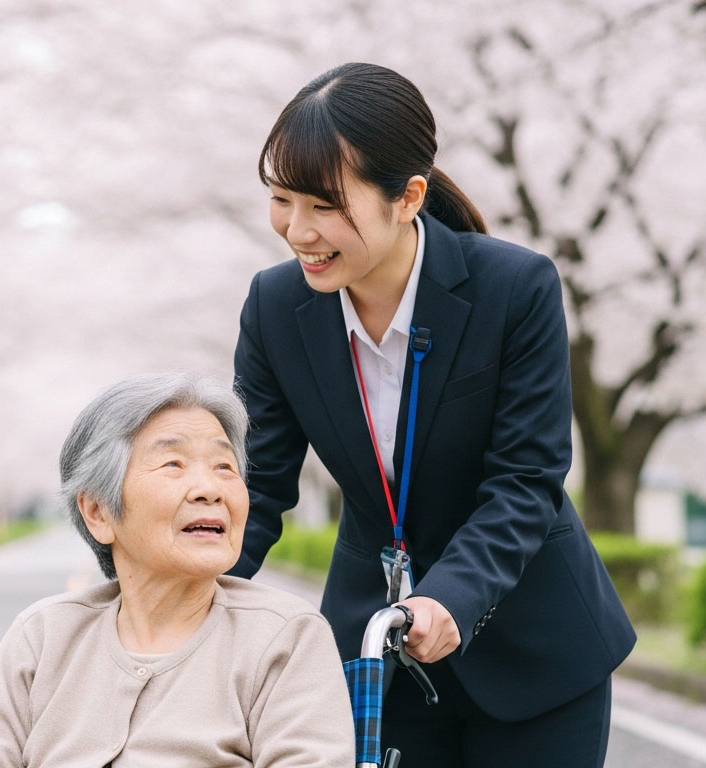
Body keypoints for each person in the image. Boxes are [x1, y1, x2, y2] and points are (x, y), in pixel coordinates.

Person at [227, 62, 635, 767]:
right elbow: (257, 486)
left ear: (408, 196)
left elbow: (526, 480)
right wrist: (167, 585)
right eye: (282, 199)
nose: (297, 231)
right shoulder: (273, 307)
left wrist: (451, 596)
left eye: (325, 205)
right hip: (373, 657)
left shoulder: (516, 286)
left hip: (535, 647)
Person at [0, 372, 355, 767]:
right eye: (173, 464)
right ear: (98, 512)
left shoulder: (286, 637)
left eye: (224, 467)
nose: (210, 489)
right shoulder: (42, 637)